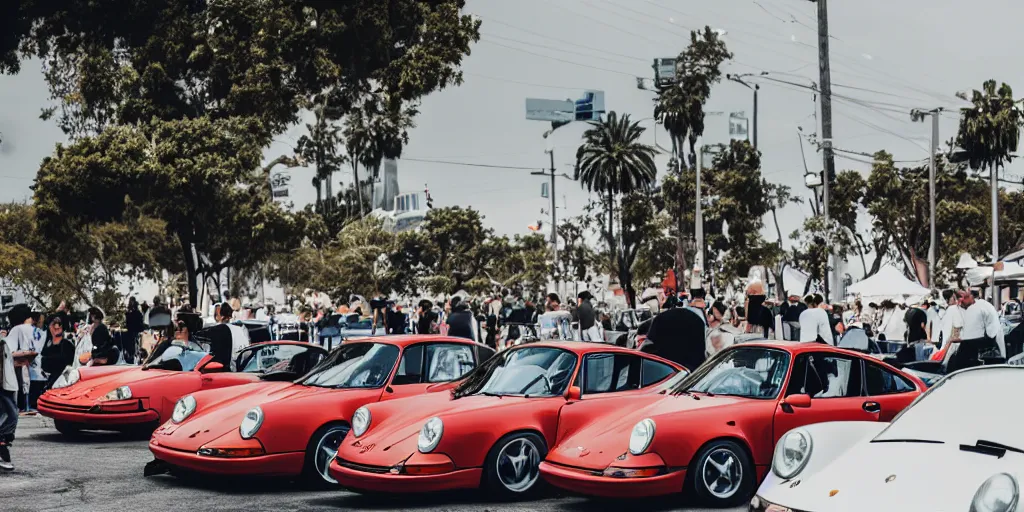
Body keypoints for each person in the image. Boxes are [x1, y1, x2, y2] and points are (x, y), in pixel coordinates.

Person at [7, 305, 36, 413]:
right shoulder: (35, 329)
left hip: (22, 365)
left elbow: (10, 349)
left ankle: (23, 406)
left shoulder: (16, 329)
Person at [958, 290, 1004, 357]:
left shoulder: (976, 307)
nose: (961, 301)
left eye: (964, 298)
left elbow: (970, 335)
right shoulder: (984, 304)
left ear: (971, 296)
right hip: (994, 339)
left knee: (964, 346)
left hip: (989, 342)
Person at [0, 322, 17, 471]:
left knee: (11, 414)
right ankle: (3, 449)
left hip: (5, 385)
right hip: (4, 385)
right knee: (11, 414)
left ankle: (3, 447)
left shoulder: (3, 343)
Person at [41, 316, 74, 389]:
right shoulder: (46, 344)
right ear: (49, 327)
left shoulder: (67, 344)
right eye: (54, 324)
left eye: (59, 324)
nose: (57, 326)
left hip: (62, 384)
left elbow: (66, 364)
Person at [125, 297, 144, 364]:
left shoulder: (130, 312)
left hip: (132, 330)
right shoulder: (137, 311)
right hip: (136, 330)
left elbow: (128, 322)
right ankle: (135, 356)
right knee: (135, 343)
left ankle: (132, 356)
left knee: (132, 344)